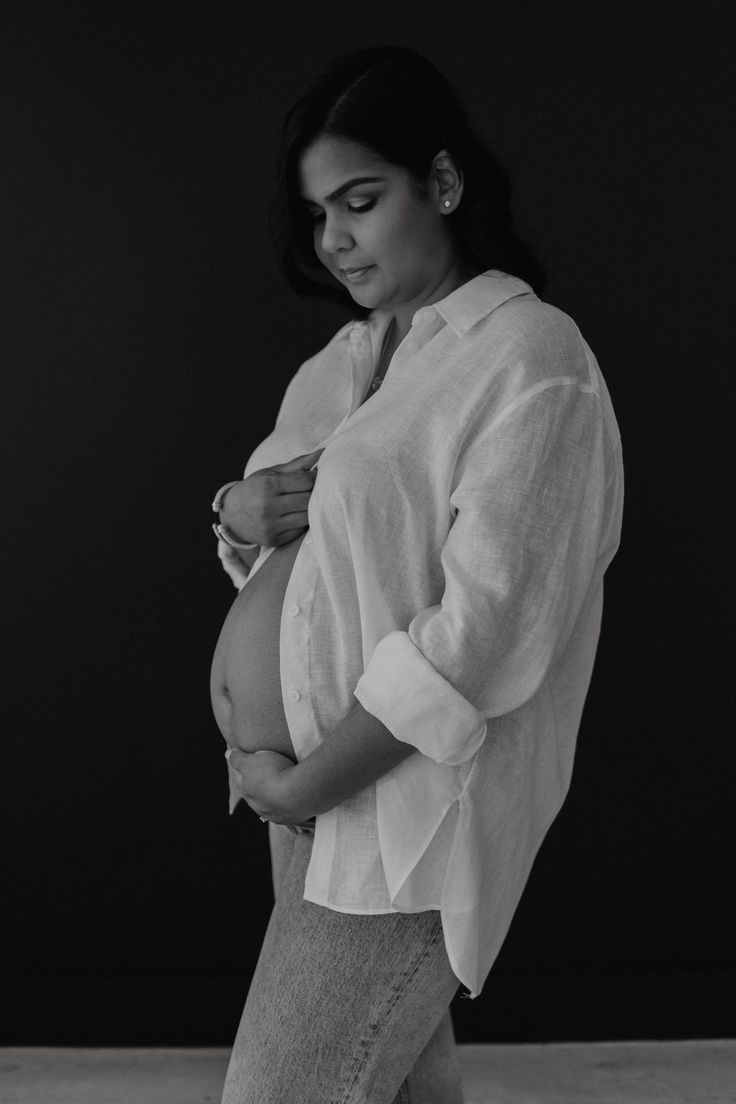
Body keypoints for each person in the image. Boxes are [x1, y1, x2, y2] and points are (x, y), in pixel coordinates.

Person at [209, 44, 624, 1104]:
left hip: (398, 817)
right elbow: (309, 573)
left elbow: (480, 637)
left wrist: (305, 782)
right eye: (318, 214)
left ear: (441, 183)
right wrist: (232, 510)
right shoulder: (343, 361)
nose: (335, 237)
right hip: (304, 806)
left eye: (360, 199)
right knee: (396, 1090)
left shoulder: (531, 359)